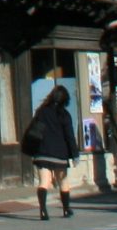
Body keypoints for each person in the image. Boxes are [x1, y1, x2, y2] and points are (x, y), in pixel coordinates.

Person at [21, 85, 79, 220]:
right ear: (65, 100)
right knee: (63, 181)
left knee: (44, 182)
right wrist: (75, 154)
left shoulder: (42, 112)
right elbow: (70, 136)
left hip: (42, 152)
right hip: (60, 154)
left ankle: (42, 210)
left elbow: (34, 131)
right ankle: (66, 209)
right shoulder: (64, 115)